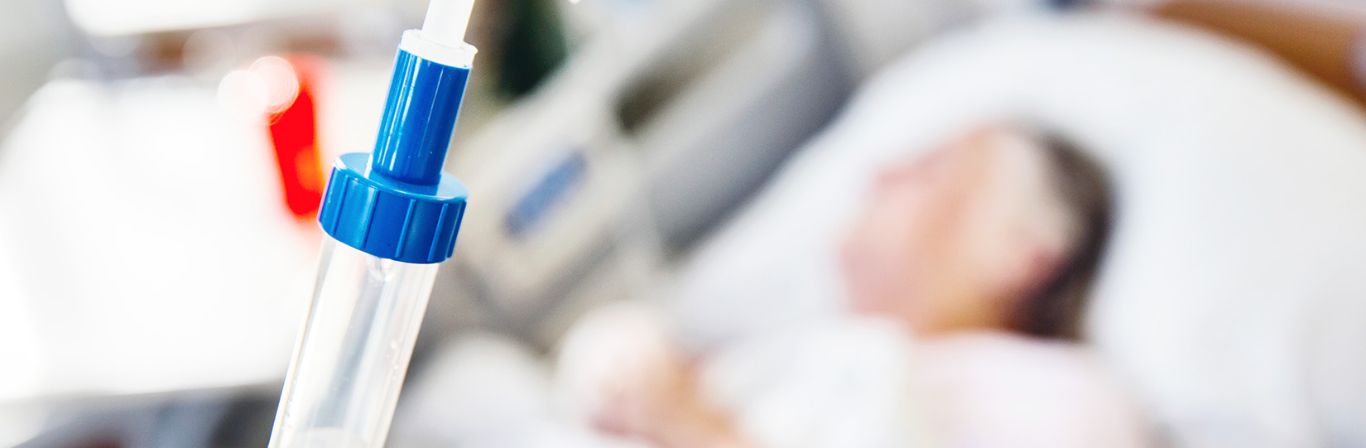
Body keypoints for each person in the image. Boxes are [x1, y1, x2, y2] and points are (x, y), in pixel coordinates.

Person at [574, 124, 1151, 447]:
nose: (884, 174)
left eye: (931, 171)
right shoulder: (828, 357)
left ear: (1025, 252)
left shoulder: (1066, 398)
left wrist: (695, 429)